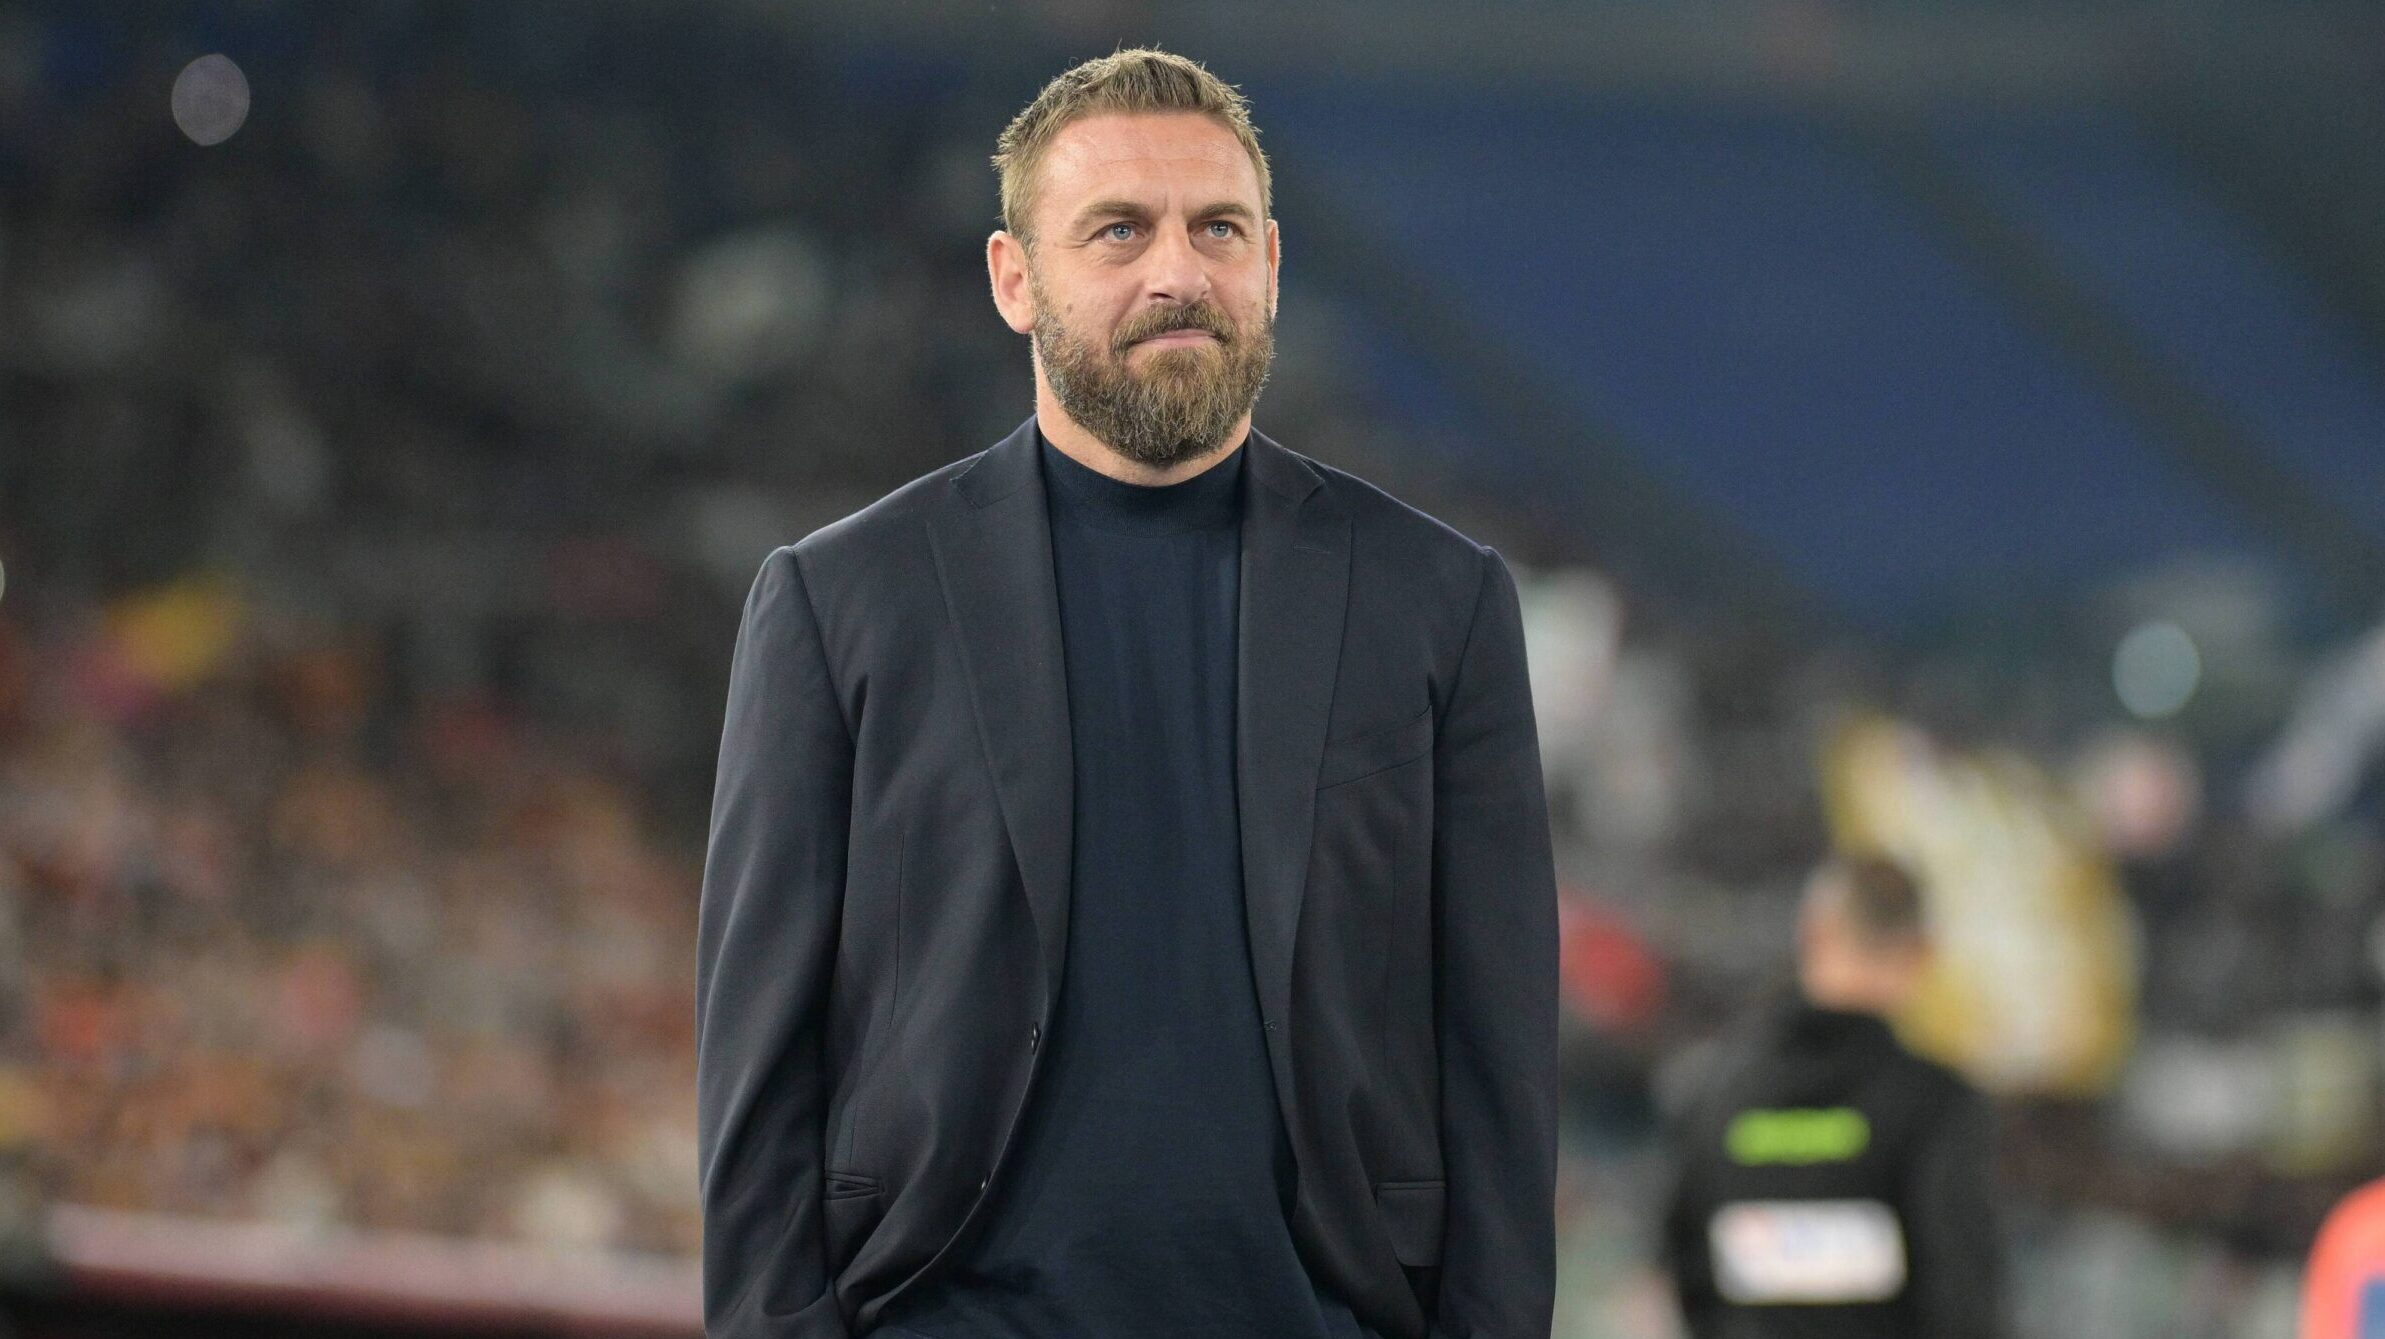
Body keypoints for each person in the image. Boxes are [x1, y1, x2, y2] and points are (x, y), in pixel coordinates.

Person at [695, 49, 1558, 1339]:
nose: (1177, 273)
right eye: (1118, 230)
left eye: (1217, 228)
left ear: (1269, 262)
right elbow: (760, 1070)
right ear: (1013, 280)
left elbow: (1500, 1069)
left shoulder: (1443, 604)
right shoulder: (838, 603)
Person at [1659, 855, 2003, 1339]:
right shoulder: (1936, 1107)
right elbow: (1962, 1295)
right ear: (1922, 954)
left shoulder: (1710, 1094)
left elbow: (1682, 1276)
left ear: (1813, 934)